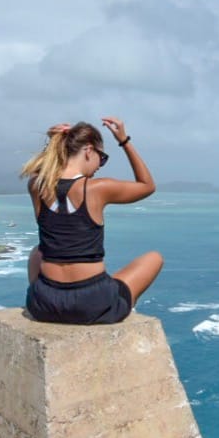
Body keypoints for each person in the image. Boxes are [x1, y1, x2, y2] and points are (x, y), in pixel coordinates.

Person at [21, 116, 163, 325]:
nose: (100, 166)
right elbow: (147, 186)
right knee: (154, 258)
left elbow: (44, 170)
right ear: (89, 150)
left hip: (45, 303)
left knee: (37, 252)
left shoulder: (36, 186)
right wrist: (124, 141)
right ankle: (117, 311)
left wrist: (53, 143)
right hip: (91, 304)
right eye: (102, 157)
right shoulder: (96, 188)